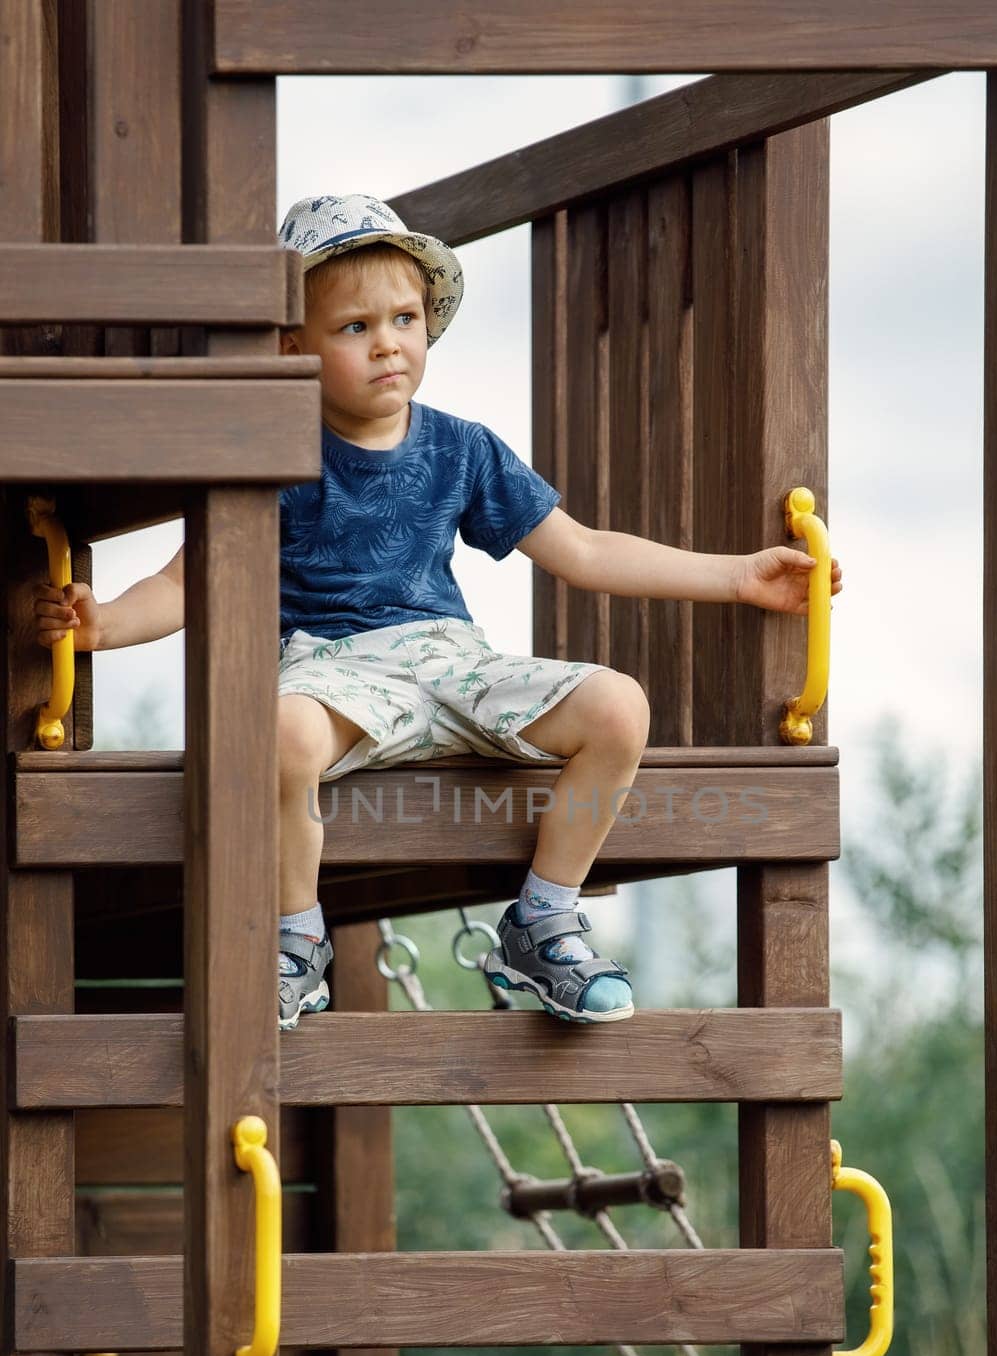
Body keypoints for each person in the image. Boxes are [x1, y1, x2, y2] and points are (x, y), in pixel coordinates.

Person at [34, 191, 843, 1031]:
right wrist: (106, 626)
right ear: (293, 347)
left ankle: (541, 919)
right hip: (330, 671)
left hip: (451, 663)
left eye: (405, 318)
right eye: (354, 328)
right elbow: (184, 581)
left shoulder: (461, 446)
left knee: (617, 706)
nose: (388, 342)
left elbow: (587, 551)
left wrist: (741, 576)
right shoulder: (273, 455)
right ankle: (294, 941)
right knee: (276, 734)